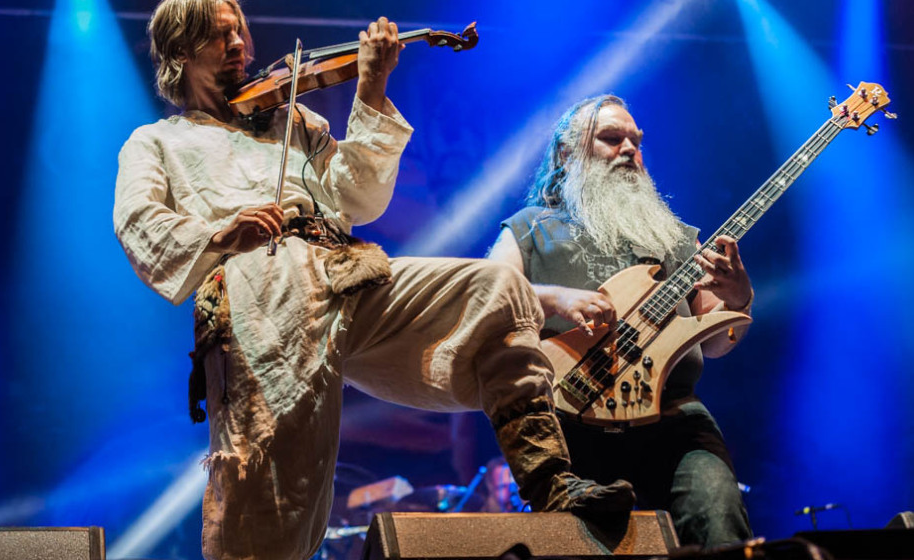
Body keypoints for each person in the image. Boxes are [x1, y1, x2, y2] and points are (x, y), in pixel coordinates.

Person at [114, 3, 634, 559]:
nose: (240, 44)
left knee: (495, 289)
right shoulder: (156, 143)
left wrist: (371, 87)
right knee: (271, 489)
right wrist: (222, 233)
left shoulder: (294, 121)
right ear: (180, 52)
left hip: (344, 271)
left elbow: (358, 198)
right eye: (219, 37)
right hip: (260, 293)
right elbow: (139, 225)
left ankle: (550, 479)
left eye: (237, 30)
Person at [487, 94, 754, 548]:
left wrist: (738, 297)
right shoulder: (531, 228)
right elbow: (485, 299)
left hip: (676, 418)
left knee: (720, 520)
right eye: (612, 139)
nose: (629, 149)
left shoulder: (672, 235)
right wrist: (554, 298)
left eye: (636, 141)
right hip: (572, 423)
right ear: (567, 154)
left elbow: (716, 342)